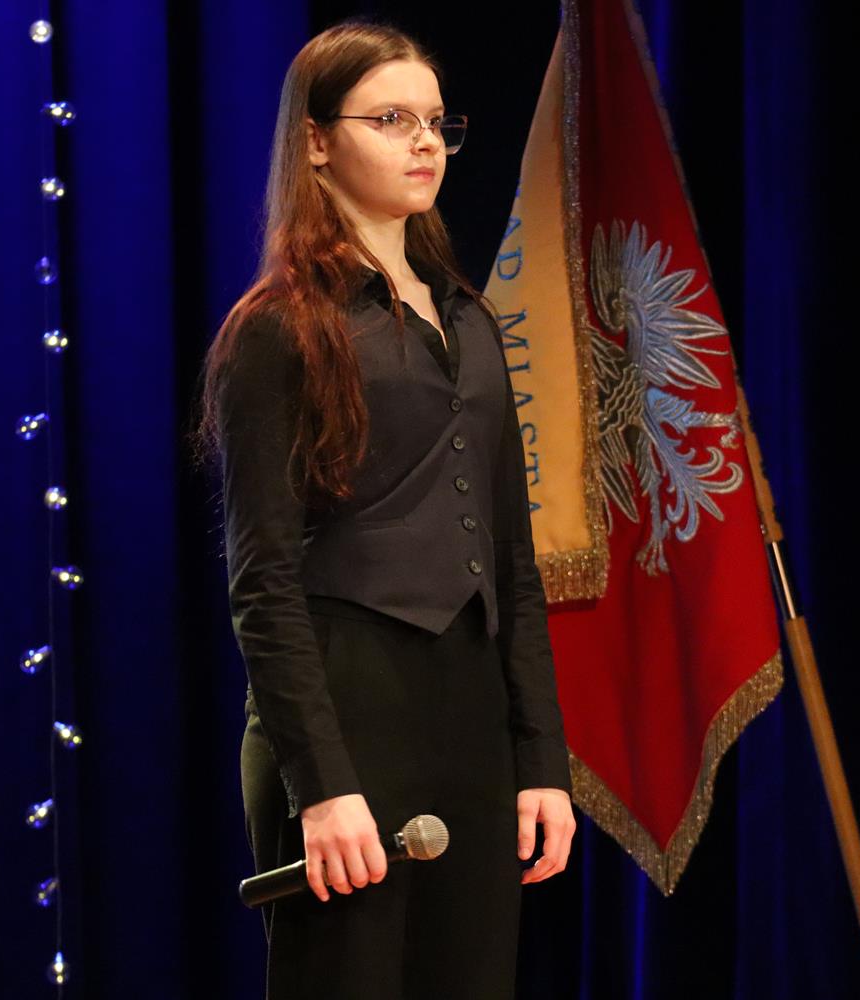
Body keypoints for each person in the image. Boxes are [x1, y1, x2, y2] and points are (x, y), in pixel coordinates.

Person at [192, 17, 576, 1000]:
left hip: (469, 712)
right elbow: (263, 582)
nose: (424, 143)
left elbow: (511, 560)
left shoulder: (469, 319)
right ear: (317, 140)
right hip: (345, 703)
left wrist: (541, 759)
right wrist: (321, 785)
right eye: (391, 119)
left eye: (437, 122)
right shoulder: (279, 329)